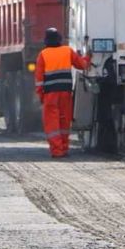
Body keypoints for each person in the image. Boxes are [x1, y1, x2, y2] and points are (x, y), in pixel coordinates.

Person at [34, 27, 89, 158]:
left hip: (50, 95)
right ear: (59, 39)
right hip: (66, 93)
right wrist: (88, 57)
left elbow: (39, 79)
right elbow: (82, 65)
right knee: (64, 121)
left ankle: (57, 151)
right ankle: (64, 148)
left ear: (46, 41)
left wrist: (41, 96)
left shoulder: (43, 54)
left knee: (52, 123)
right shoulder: (67, 51)